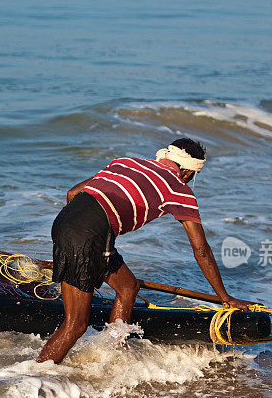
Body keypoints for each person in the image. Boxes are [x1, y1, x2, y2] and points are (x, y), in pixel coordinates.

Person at [37, 138, 252, 363]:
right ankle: (34, 376)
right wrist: (225, 297)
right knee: (76, 325)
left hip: (65, 222)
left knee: (128, 287)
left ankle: (110, 354)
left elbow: (73, 194)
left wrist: (79, 238)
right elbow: (201, 251)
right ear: (189, 173)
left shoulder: (127, 162)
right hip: (90, 235)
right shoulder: (180, 190)